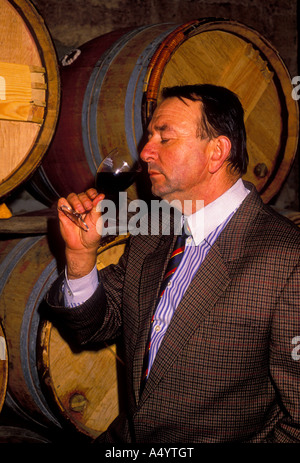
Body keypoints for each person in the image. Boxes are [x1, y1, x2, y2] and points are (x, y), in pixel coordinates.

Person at [45, 84, 300, 443]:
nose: (145, 152)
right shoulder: (154, 230)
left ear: (216, 152)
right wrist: (79, 256)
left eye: (165, 138)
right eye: (149, 137)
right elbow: (95, 327)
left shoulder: (288, 260)